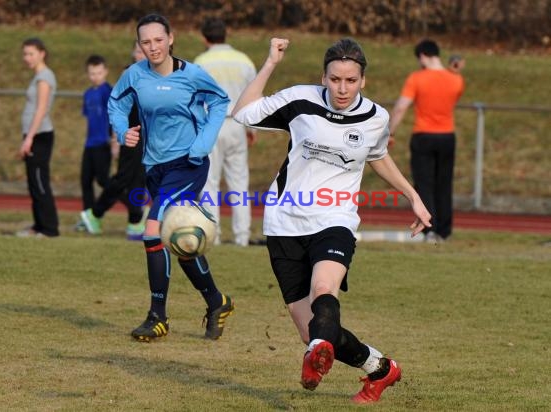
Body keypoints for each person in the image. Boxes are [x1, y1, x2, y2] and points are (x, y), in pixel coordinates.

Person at [232, 38, 431, 403]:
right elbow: (243, 112)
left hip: (334, 218)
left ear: (363, 81)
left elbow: (378, 157)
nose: (342, 88)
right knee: (313, 334)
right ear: (323, 77)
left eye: (351, 80)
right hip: (284, 221)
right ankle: (381, 370)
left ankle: (321, 351)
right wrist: (271, 62)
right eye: (335, 79)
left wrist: (413, 196)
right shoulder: (300, 100)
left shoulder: (376, 118)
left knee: (324, 290)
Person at [107, 14, 234, 341]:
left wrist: (203, 142)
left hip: (188, 165)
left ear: (171, 38)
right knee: (180, 239)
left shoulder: (192, 75)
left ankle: (157, 316)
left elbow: (219, 102)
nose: (153, 47)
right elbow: (115, 105)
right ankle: (216, 301)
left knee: (152, 234)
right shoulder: (134, 75)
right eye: (145, 42)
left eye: (158, 40)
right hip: (155, 166)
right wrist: (123, 131)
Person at [388, 39, 464, 243]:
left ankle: (429, 228)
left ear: (422, 56)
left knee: (424, 184)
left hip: (423, 135)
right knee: (444, 183)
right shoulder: (456, 79)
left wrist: (390, 132)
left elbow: (402, 106)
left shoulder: (417, 78)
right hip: (447, 135)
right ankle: (445, 231)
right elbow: (454, 97)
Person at [194, 17, 257, 246]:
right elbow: (252, 96)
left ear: (204, 37)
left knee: (209, 182)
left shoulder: (201, 61)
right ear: (226, 34)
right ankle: (242, 237)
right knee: (239, 182)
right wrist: (251, 127)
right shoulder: (244, 61)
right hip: (237, 123)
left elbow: (195, 98)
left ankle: (214, 235)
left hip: (212, 124)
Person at [80, 42, 147, 241]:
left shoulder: (155, 74)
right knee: (123, 178)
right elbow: (118, 107)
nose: (141, 53)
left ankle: (135, 224)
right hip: (131, 134)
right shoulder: (129, 74)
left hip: (149, 136)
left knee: (138, 180)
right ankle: (95, 213)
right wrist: (116, 137)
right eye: (138, 50)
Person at [16, 37, 60, 238]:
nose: (27, 58)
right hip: (33, 135)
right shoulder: (37, 76)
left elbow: (41, 109)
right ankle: (38, 226)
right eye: (25, 54)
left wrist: (29, 138)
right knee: (34, 183)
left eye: (31, 53)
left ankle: (50, 229)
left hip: (40, 136)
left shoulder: (45, 76)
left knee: (40, 182)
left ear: (42, 53)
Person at [78, 55, 113, 224]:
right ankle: (88, 218)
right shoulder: (87, 94)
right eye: (92, 73)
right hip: (90, 144)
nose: (95, 76)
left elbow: (114, 116)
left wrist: (113, 139)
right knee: (85, 180)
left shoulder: (108, 92)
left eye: (99, 73)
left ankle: (135, 207)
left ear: (105, 72)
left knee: (103, 180)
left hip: (103, 143)